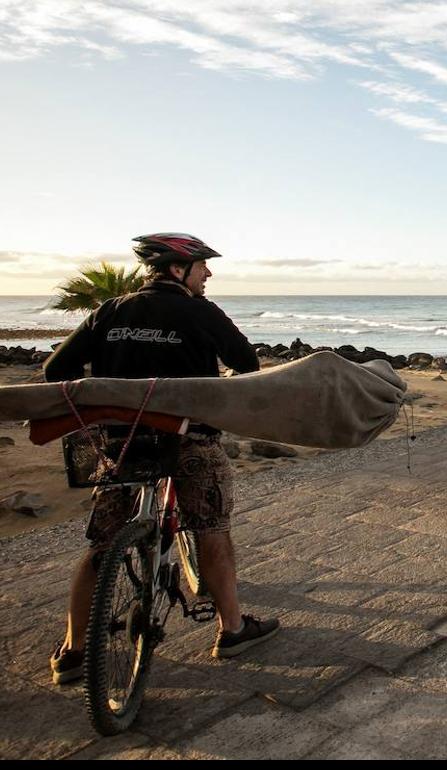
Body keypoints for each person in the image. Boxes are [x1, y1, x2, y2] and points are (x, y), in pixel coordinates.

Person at [44, 233, 279, 684]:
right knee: (212, 530)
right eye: (202, 267)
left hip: (123, 443)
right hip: (189, 440)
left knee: (102, 547)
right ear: (178, 270)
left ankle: (74, 651)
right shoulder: (199, 310)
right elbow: (246, 363)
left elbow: (57, 372)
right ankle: (232, 630)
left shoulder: (111, 311)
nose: (207, 274)